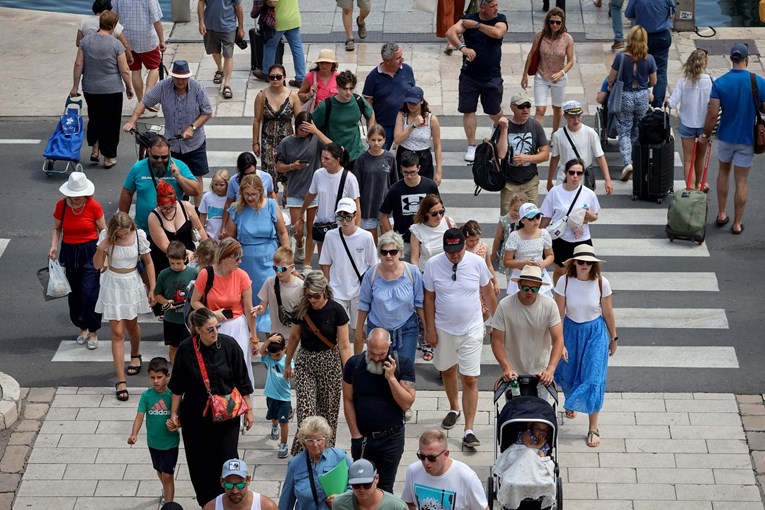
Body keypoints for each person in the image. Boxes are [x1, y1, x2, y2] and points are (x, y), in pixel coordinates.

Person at [168, 308, 254, 508]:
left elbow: (243, 381)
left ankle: (232, 501)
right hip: (195, 416)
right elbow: (177, 386)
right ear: (197, 329)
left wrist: (249, 410)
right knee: (198, 461)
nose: (215, 333)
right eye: (210, 330)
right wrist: (174, 413)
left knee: (228, 458)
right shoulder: (186, 349)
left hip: (227, 416)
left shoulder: (230, 346)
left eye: (217, 327)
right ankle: (207, 504)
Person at [424, 229, 497, 448]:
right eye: (450, 252)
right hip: (444, 328)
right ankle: (454, 407)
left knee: (470, 378)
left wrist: (498, 323)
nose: (454, 256)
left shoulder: (477, 262)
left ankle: (469, 429)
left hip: (472, 328)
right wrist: (429, 329)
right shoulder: (433, 264)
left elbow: (488, 292)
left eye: (457, 251)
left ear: (465, 246)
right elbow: (428, 298)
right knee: (447, 371)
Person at [553, 245, 617, 447]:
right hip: (571, 331)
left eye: (589, 262)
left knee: (594, 377)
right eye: (581, 261)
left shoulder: (601, 283)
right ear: (574, 263)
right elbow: (558, 315)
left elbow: (608, 313)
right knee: (569, 371)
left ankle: (593, 427)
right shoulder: (564, 281)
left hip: (595, 333)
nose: (585, 265)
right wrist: (559, 343)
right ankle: (572, 401)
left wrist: (613, 338)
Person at [284, 272, 352, 455]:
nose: (313, 299)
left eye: (316, 295)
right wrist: (287, 363)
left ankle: (326, 452)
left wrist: (348, 374)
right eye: (308, 295)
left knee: (328, 413)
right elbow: (294, 337)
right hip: (306, 361)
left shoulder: (337, 310)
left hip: (330, 362)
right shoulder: (301, 310)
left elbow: (345, 346)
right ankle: (303, 454)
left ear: (325, 291)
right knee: (305, 412)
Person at [701, 42, 765, 235]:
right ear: (747, 59)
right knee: (741, 181)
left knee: (723, 173)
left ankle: (721, 213)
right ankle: (737, 223)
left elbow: (712, 113)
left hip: (726, 137)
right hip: (746, 139)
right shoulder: (758, 82)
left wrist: (705, 134)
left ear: (731, 59)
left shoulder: (720, 83)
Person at [123, 60, 214, 191]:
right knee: (170, 175)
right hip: (173, 142)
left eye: (183, 78)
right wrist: (132, 121)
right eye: (176, 78)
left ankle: (198, 209)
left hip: (194, 142)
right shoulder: (163, 87)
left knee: (196, 176)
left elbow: (207, 112)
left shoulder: (197, 88)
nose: (180, 81)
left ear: (188, 76)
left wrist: (192, 128)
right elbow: (144, 102)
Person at [343, 329, 415, 492]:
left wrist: (391, 378)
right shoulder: (354, 364)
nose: (375, 358)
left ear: (389, 347)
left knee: (385, 488)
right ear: (367, 345)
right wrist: (355, 434)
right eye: (372, 352)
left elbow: (407, 404)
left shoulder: (403, 364)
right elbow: (347, 399)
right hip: (364, 438)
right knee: (362, 486)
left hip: (391, 438)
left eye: (381, 354)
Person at [93, 212, 156, 401]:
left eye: (124, 232)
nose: (121, 236)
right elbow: (97, 265)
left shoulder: (139, 236)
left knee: (131, 326)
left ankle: (135, 353)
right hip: (112, 283)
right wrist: (102, 248)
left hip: (131, 283)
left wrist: (152, 288)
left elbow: (149, 262)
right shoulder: (106, 236)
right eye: (118, 234)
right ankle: (121, 380)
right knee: (117, 332)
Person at [189, 239, 258, 395]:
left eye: (241, 258)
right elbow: (194, 301)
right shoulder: (206, 274)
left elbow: (249, 309)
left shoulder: (242, 276)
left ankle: (241, 409)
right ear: (225, 257)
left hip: (237, 325)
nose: (240, 262)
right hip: (215, 326)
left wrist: (254, 338)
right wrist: (212, 313)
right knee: (216, 367)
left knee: (239, 367)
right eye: (237, 258)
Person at [223, 174, 290, 333]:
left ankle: (273, 345)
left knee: (270, 301)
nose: (250, 198)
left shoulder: (271, 205)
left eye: (253, 194)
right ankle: (248, 341)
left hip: (269, 259)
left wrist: (285, 257)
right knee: (248, 302)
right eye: (246, 194)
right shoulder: (236, 208)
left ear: (261, 192)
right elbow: (230, 237)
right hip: (246, 262)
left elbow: (283, 233)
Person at [49, 172, 106, 350]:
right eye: (72, 195)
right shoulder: (62, 206)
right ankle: (82, 328)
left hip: (90, 251)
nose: (75, 198)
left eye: (78, 195)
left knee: (90, 292)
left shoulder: (94, 206)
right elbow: (57, 228)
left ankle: (93, 330)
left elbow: (103, 231)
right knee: (74, 294)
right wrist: (53, 246)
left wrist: (104, 256)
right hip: (69, 251)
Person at [445, 0, 508, 161]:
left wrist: (477, 25)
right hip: (469, 75)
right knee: (468, 110)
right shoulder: (468, 19)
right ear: (483, 7)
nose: (496, 9)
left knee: (494, 111)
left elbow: (497, 33)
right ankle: (471, 145)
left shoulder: (500, 19)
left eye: (496, 5)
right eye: (492, 6)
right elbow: (450, 33)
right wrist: (462, 48)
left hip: (492, 76)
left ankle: (496, 125)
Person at [71, 10, 134, 169]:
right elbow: (124, 70)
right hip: (111, 89)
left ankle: (95, 148)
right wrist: (129, 87)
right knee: (111, 122)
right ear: (113, 26)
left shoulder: (86, 42)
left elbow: (78, 64)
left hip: (90, 89)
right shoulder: (116, 44)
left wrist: (74, 86)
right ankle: (109, 157)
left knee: (95, 118)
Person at [489, 265, 564, 393]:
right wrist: (506, 368)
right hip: (513, 374)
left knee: (542, 410)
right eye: (526, 288)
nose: (530, 292)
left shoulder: (549, 305)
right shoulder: (504, 306)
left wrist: (550, 370)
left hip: (541, 374)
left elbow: (558, 340)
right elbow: (496, 341)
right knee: (513, 409)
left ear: (540, 288)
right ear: (519, 285)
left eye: (534, 288)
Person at [356, 231, 424, 360]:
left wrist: (426, 328)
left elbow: (420, 303)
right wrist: (359, 328)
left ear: (400, 252)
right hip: (377, 328)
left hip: (406, 328)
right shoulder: (371, 274)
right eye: (384, 252)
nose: (388, 255)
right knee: (377, 370)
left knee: (404, 371)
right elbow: (364, 303)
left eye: (393, 252)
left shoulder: (413, 272)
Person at [276, 112, 333, 264]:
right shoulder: (286, 142)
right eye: (302, 129)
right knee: (297, 230)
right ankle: (299, 244)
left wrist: (316, 132)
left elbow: (335, 148)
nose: (304, 133)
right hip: (295, 189)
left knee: (311, 228)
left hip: (313, 190)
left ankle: (307, 260)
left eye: (307, 129)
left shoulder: (316, 139)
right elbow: (279, 167)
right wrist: (292, 166)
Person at [319, 198, 378, 339]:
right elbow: (325, 262)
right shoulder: (330, 236)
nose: (344, 221)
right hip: (337, 290)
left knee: (358, 331)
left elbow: (373, 265)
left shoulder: (366, 236)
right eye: (340, 217)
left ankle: (356, 359)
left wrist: (369, 288)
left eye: (348, 217)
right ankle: (342, 361)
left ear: (355, 216)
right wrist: (328, 285)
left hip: (358, 290)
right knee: (340, 332)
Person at [119, 135, 202, 233]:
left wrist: (178, 176)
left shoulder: (180, 166)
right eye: (155, 157)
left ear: (169, 153)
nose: (159, 160)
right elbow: (127, 193)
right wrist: (123, 221)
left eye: (164, 157)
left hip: (173, 231)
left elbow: (196, 191)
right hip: (145, 231)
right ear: (149, 152)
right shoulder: (138, 168)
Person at [606, 25, 657, 182]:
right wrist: (644, 88)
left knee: (624, 129)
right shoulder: (649, 59)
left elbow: (611, 78)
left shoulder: (621, 57)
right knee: (638, 128)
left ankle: (627, 162)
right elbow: (653, 81)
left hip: (625, 95)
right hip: (641, 96)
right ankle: (637, 160)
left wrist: (610, 86)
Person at [127, 357, 180, 504]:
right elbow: (139, 416)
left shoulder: (173, 396)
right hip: (153, 443)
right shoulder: (147, 396)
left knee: (168, 475)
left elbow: (181, 418)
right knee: (160, 471)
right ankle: (165, 488)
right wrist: (134, 434)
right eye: (152, 378)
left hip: (170, 444)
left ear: (167, 376)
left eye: (159, 377)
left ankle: (169, 504)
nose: (156, 381)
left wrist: (176, 424)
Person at [540, 159, 600, 284]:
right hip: (561, 237)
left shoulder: (589, 194)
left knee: (585, 271)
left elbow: (595, 216)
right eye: (572, 172)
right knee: (561, 270)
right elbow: (546, 217)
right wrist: (538, 236)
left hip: (582, 238)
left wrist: (589, 216)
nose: (575, 176)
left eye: (579, 173)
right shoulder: (555, 192)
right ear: (565, 173)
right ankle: (560, 296)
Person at [297, 144, 361, 257]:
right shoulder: (318, 174)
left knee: (339, 261)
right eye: (322, 157)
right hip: (322, 225)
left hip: (341, 226)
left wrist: (357, 230)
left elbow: (356, 205)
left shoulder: (349, 178)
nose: (323, 161)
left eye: (327, 158)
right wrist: (302, 212)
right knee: (324, 262)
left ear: (337, 159)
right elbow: (310, 195)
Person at [401, 430, 489, 510]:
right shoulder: (413, 471)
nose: (426, 462)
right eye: (422, 456)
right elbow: (409, 503)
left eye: (432, 458)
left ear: (446, 454)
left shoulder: (467, 478)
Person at [279, 416, 352, 509]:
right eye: (310, 441)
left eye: (319, 440)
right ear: (304, 442)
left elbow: (356, 484)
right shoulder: (295, 464)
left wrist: (342, 498)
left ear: (325, 440)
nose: (315, 444)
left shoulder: (339, 457)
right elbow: (286, 500)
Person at [521, 8, 574, 135]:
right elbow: (531, 54)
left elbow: (571, 61)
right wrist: (524, 76)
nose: (554, 25)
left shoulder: (567, 39)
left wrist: (561, 73)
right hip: (541, 75)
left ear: (562, 23)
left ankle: (555, 134)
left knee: (557, 108)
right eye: (552, 22)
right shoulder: (540, 36)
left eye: (558, 22)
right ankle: (537, 138)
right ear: (547, 22)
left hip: (559, 78)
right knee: (540, 109)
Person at [667, 49, 712, 192]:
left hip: (687, 123)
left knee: (688, 159)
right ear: (705, 63)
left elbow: (672, 103)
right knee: (700, 157)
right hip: (704, 125)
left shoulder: (683, 81)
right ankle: (699, 185)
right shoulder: (711, 81)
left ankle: (690, 189)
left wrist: (666, 101)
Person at [379, 152, 439, 259]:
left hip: (426, 238)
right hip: (404, 240)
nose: (409, 176)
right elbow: (383, 215)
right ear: (401, 168)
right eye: (405, 172)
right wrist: (393, 237)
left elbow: (438, 209)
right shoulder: (395, 190)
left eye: (412, 172)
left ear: (419, 168)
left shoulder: (430, 186)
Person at [496, 92, 549, 211]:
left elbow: (545, 154)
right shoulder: (504, 126)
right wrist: (504, 129)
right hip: (509, 183)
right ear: (512, 107)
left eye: (528, 106)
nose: (525, 110)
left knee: (531, 219)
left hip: (530, 183)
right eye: (521, 107)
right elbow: (501, 153)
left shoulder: (535, 126)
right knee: (507, 221)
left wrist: (527, 158)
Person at [312, 71, 376, 169]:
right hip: (334, 156)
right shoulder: (326, 106)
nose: (348, 92)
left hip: (356, 154)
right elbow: (313, 126)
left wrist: (370, 134)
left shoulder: (359, 101)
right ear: (337, 88)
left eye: (351, 88)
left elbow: (370, 114)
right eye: (345, 89)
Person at [547, 100, 613, 194]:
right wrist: (549, 180)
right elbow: (555, 157)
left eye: (578, 116)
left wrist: (608, 180)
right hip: (564, 176)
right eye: (572, 117)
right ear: (565, 116)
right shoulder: (558, 135)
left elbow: (600, 156)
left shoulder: (590, 133)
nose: (576, 120)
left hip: (583, 177)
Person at [252, 64, 301, 188]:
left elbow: (299, 120)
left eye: (278, 77)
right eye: (272, 77)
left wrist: (300, 141)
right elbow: (257, 120)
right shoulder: (261, 96)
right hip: (267, 142)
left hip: (287, 142)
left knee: (289, 175)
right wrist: (255, 142)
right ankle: (271, 204)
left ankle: (288, 201)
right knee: (268, 176)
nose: (275, 80)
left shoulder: (293, 96)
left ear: (284, 78)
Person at [147, 180, 207, 277]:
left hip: (189, 260)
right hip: (166, 261)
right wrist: (186, 252)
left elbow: (199, 228)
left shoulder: (186, 206)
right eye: (164, 208)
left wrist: (206, 249)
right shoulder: (153, 217)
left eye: (172, 207)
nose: (168, 210)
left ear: (176, 201)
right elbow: (166, 246)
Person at [362, 43, 417, 148]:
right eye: (398, 58)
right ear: (387, 61)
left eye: (401, 56)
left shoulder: (407, 70)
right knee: (379, 157)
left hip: (405, 124)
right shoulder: (373, 77)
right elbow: (367, 104)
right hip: (384, 127)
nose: (402, 60)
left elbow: (413, 95)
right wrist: (373, 127)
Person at [153, 241, 199, 364]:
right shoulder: (164, 274)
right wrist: (166, 302)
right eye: (172, 263)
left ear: (185, 259)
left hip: (188, 319)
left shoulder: (193, 273)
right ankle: (175, 370)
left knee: (190, 347)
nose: (175, 266)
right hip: (171, 318)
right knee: (173, 346)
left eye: (178, 263)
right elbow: (157, 294)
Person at [111, 0, 165, 103]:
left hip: (127, 39)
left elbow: (112, 17)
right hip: (147, 39)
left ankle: (141, 101)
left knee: (135, 70)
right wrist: (162, 40)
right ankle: (147, 99)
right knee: (154, 67)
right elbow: (156, 21)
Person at [625, 0, 674, 107]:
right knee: (660, 71)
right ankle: (657, 105)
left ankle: (640, 99)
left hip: (641, 37)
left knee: (638, 67)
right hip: (661, 37)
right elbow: (672, 14)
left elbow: (628, 15)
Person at [354, 124, 398, 241]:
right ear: (367, 140)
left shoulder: (390, 158)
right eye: (373, 140)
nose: (376, 143)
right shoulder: (361, 159)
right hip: (367, 207)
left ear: (384, 140)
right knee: (371, 244)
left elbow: (395, 183)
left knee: (388, 242)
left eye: (379, 140)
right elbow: (356, 186)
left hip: (386, 207)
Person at [392, 86, 443, 184]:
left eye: (414, 103)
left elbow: (437, 146)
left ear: (421, 101)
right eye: (409, 102)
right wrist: (413, 125)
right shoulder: (402, 115)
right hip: (405, 154)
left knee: (424, 189)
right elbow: (397, 140)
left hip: (423, 157)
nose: (411, 105)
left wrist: (439, 171)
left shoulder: (432, 119)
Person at [220, 152, 277, 237]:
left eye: (252, 173)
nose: (250, 177)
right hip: (242, 221)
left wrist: (277, 215)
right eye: (246, 175)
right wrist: (223, 226)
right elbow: (228, 203)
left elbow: (271, 194)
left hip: (262, 217)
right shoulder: (233, 181)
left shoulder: (266, 177)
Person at [503, 203, 554, 297]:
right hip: (521, 274)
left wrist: (544, 263)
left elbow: (550, 255)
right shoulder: (514, 236)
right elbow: (507, 262)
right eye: (531, 218)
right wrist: (523, 263)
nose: (535, 221)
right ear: (522, 220)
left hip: (539, 274)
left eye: (537, 217)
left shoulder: (544, 234)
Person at [252, 247, 304, 339]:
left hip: (296, 338)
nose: (278, 272)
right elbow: (262, 307)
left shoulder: (301, 286)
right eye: (275, 268)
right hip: (276, 337)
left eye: (282, 269)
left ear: (292, 267)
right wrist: (259, 309)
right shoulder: (270, 282)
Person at [198, 0, 244, 100]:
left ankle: (227, 84)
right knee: (214, 51)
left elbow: (238, 6)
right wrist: (201, 21)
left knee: (228, 55)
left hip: (228, 26)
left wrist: (241, 27)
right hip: (210, 25)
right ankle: (220, 69)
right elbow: (201, 2)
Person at [258, 333, 294, 459]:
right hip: (271, 395)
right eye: (272, 355)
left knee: (284, 421)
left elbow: (293, 371)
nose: (274, 357)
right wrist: (268, 340)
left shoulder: (288, 360)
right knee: (274, 416)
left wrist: (292, 373)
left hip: (284, 398)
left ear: (284, 349)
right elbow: (261, 351)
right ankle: (274, 427)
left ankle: (283, 444)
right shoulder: (269, 358)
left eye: (277, 354)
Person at [260, 0, 306, 88]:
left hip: (278, 20)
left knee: (270, 46)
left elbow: (272, 2)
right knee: (297, 49)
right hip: (293, 19)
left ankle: (267, 73)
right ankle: (301, 78)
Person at [332, 459, 408, 510]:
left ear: (376, 479)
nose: (361, 489)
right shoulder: (339, 504)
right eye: (356, 485)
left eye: (367, 484)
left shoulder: (397, 507)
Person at [203, 458, 279, 510]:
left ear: (248, 480)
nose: (235, 491)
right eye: (229, 485)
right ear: (222, 482)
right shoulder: (211, 508)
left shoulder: (266, 507)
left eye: (240, 485)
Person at [462, 221, 500, 316]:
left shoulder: (484, 247)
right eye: (471, 240)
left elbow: (489, 266)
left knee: (486, 311)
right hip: (467, 284)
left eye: (477, 240)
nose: (474, 243)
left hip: (482, 285)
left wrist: (495, 282)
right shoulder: (462, 249)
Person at [409, 194, 454, 272]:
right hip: (427, 272)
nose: (439, 216)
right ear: (426, 213)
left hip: (448, 270)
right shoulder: (417, 230)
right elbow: (414, 259)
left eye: (441, 212)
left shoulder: (449, 223)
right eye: (434, 213)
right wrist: (417, 276)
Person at [491, 192, 527, 289]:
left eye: (519, 211)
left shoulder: (526, 220)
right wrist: (494, 252)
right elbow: (498, 237)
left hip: (523, 253)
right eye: (514, 210)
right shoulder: (504, 220)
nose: (516, 213)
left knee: (523, 277)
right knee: (511, 279)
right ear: (510, 206)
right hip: (509, 254)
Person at [199, 169, 230, 242]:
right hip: (210, 235)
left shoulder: (230, 199)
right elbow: (203, 214)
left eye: (221, 185)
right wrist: (202, 232)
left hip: (225, 235)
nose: (218, 187)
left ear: (227, 184)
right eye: (215, 184)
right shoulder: (207, 196)